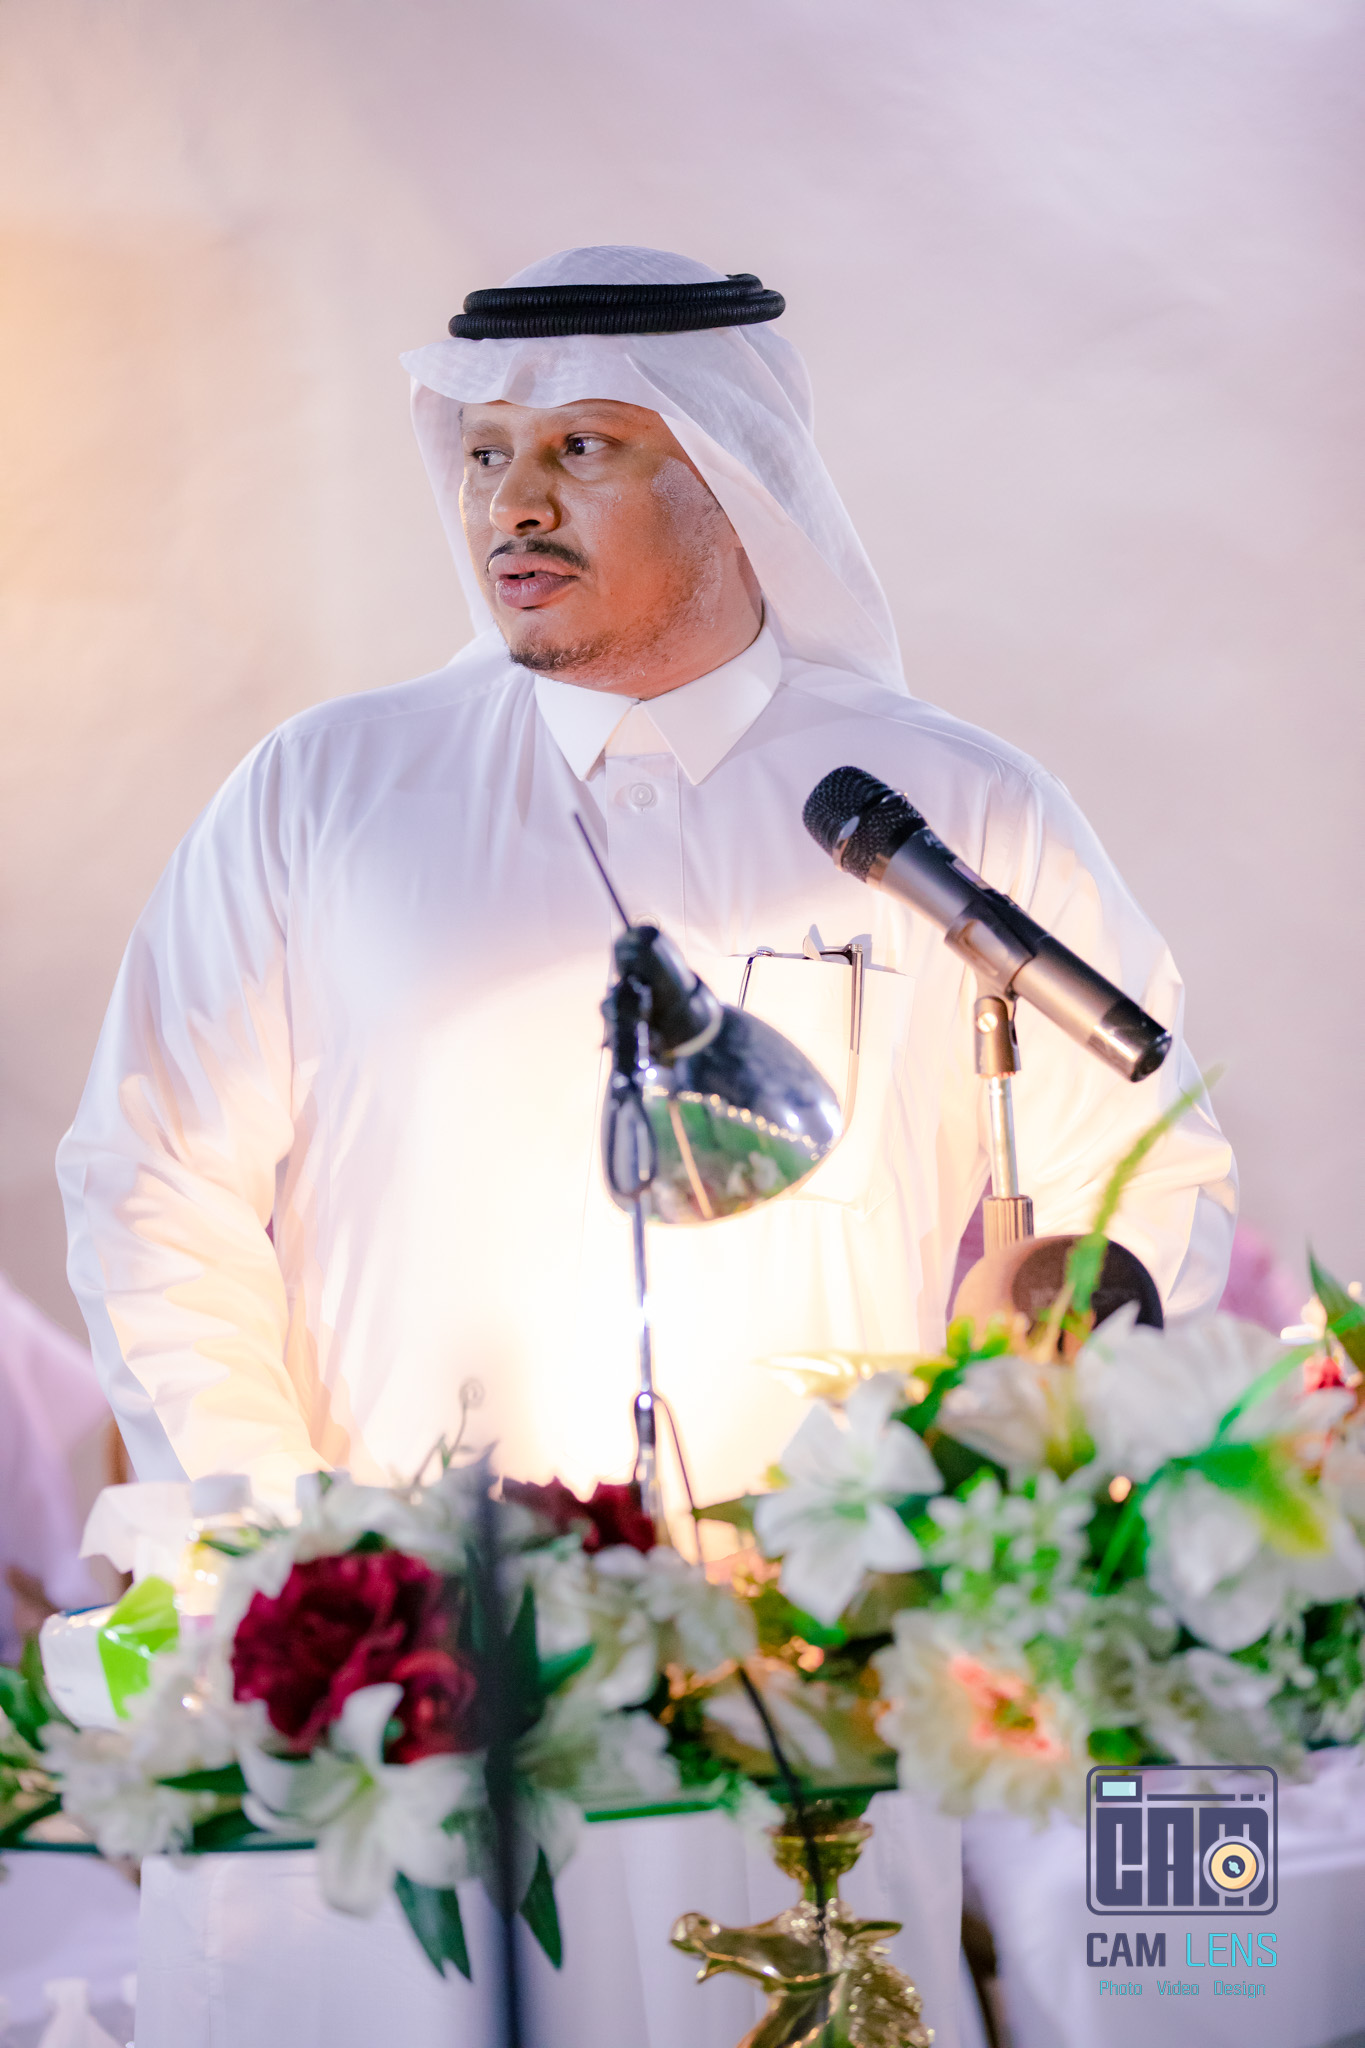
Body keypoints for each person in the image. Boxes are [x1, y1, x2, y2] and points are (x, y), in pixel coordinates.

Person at [55, 246, 1235, 2048]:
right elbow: (152, 1184)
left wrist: (993, 1463)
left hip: (807, 1692)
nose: (511, 504)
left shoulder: (944, 809)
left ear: (733, 475)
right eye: (484, 454)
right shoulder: (324, 792)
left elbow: (1143, 1166)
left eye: (582, 449)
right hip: (411, 1696)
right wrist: (294, 1553)